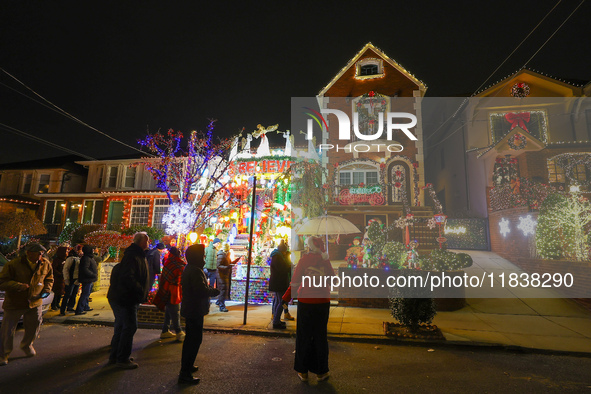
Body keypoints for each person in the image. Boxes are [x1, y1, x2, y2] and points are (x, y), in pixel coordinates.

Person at [0, 243, 54, 366]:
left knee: (34, 326)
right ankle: (3, 354)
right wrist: (18, 286)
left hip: (35, 302)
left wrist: (47, 289)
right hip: (15, 302)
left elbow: (49, 278)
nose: (40, 255)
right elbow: (2, 282)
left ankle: (27, 345)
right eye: (38, 253)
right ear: (28, 253)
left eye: (41, 253)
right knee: (7, 330)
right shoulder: (13, 265)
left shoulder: (45, 264)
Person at [291, 236, 335, 382]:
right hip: (322, 300)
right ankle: (321, 371)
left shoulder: (303, 260)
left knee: (304, 335)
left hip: (306, 301)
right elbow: (333, 280)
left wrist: (287, 297)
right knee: (320, 336)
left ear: (309, 246)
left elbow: (295, 281)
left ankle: (303, 372)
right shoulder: (325, 260)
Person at [107, 232, 150, 369]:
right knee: (130, 326)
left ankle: (116, 356)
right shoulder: (133, 256)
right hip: (128, 298)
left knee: (121, 326)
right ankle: (122, 358)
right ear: (142, 242)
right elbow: (129, 277)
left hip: (127, 297)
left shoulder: (136, 255)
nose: (148, 242)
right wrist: (139, 290)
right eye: (147, 240)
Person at [179, 244, 220, 385]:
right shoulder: (195, 271)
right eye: (202, 255)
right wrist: (214, 291)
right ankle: (185, 373)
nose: (204, 258)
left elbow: (201, 287)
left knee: (192, 340)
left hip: (193, 309)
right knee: (194, 341)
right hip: (194, 310)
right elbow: (200, 290)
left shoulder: (193, 269)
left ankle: (188, 367)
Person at [154, 247, 186, 342]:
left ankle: (165, 330)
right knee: (175, 311)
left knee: (169, 310)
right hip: (174, 290)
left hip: (166, 288)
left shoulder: (168, 262)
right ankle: (179, 332)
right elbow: (181, 276)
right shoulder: (179, 263)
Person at [269, 239, 290, 329]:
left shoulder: (277, 257)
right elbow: (282, 269)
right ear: (282, 251)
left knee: (278, 301)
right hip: (279, 284)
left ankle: (276, 320)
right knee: (281, 302)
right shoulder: (278, 258)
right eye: (285, 252)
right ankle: (276, 321)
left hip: (278, 283)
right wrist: (289, 266)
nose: (285, 253)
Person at [215, 242, 240, 312]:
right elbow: (218, 266)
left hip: (225, 274)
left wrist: (235, 261)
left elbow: (228, 263)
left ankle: (219, 301)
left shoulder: (226, 254)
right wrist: (227, 267)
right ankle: (221, 305)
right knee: (223, 290)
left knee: (224, 289)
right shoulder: (221, 255)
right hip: (221, 274)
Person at [75, 245, 98, 315]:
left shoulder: (89, 257)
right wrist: (93, 274)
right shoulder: (86, 258)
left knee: (87, 294)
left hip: (89, 279)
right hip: (87, 279)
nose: (93, 251)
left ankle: (85, 306)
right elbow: (85, 269)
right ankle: (79, 309)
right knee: (85, 294)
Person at [61, 246, 82, 316]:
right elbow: (66, 269)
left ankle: (70, 307)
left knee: (74, 294)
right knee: (67, 294)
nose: (81, 251)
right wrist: (66, 279)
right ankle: (63, 309)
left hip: (76, 278)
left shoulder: (78, 258)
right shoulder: (71, 259)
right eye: (80, 250)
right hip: (71, 279)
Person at [51, 244, 69, 311]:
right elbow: (54, 269)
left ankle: (58, 303)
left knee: (60, 292)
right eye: (66, 251)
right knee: (56, 292)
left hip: (62, 279)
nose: (67, 253)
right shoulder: (57, 260)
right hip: (57, 279)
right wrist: (60, 274)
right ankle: (54, 304)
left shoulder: (65, 259)